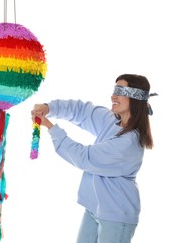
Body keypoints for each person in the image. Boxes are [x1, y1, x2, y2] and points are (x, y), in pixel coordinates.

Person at [31, 74, 157, 243]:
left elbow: (85, 158)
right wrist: (49, 108)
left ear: (134, 98)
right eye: (114, 90)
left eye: (120, 91)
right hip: (94, 207)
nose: (113, 96)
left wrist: (51, 128)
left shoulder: (129, 143)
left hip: (116, 215)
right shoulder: (112, 122)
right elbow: (82, 112)